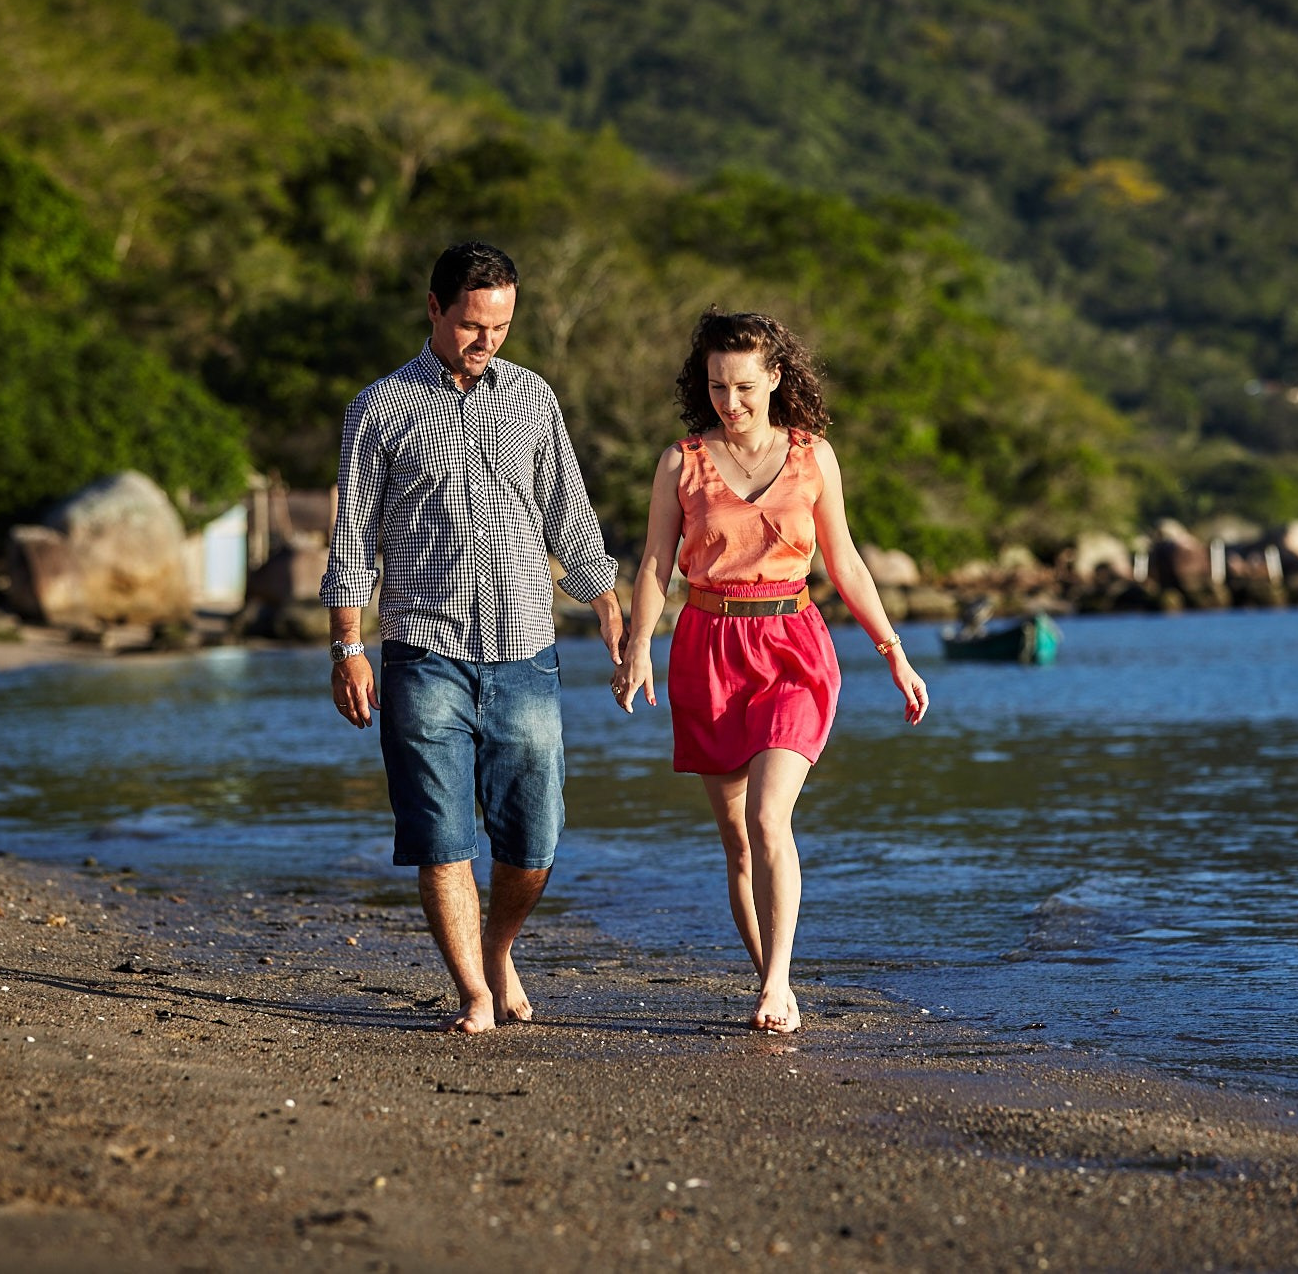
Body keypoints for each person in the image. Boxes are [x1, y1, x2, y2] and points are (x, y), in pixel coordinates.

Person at [322, 241, 623, 1035]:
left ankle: (499, 947)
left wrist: (609, 606)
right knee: (440, 832)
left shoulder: (533, 399)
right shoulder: (378, 408)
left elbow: (570, 514)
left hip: (526, 646)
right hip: (422, 649)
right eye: (470, 324)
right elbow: (353, 538)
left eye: (501, 325)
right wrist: (346, 645)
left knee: (535, 838)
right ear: (434, 309)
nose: (486, 340)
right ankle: (474, 993)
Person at [611, 309, 928, 1034]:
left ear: (777, 376)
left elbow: (844, 561)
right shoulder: (680, 462)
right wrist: (638, 648)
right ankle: (768, 981)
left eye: (746, 386)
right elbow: (657, 564)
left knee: (767, 814)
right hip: (708, 650)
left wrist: (895, 654)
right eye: (719, 386)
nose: (732, 402)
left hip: (792, 648)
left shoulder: (814, 457)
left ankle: (780, 982)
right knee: (738, 839)